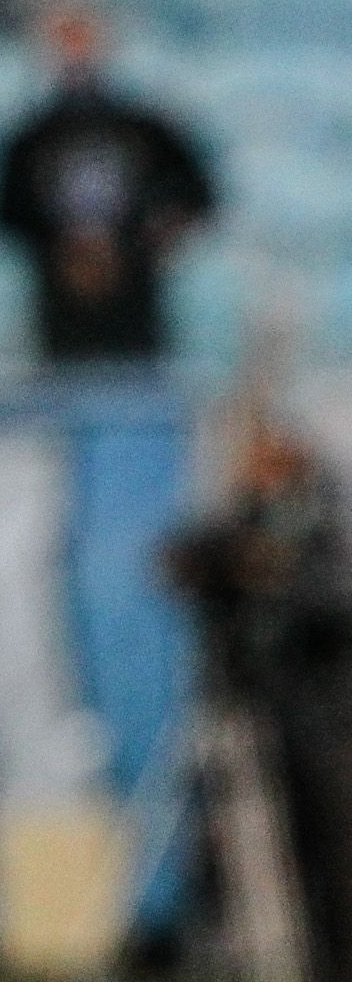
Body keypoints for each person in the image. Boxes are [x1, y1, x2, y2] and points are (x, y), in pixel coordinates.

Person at [167, 413, 352, 979]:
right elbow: (182, 560)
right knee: (246, 848)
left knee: (336, 849)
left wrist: (280, 576)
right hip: (259, 712)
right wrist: (236, 557)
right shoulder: (243, 524)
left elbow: (334, 598)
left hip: (329, 718)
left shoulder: (323, 522)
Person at [0, 0, 217, 363]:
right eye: (66, 39)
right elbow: (2, 213)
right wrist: (67, 249)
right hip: (61, 304)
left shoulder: (148, 128)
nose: (76, 51)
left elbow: (197, 199)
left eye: (84, 38)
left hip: (134, 297)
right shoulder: (28, 137)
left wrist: (147, 239)